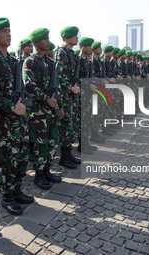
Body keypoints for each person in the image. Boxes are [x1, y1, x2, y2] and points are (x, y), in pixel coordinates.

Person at [0, 17, 34, 216]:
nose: (9, 34)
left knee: (21, 158)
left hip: (19, 119)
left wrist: (23, 105)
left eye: (10, 30)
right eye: (4, 31)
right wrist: (12, 107)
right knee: (6, 162)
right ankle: (8, 197)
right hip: (3, 120)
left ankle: (17, 190)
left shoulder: (13, 61)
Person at [23, 28, 62, 190]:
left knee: (52, 142)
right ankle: (39, 175)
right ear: (36, 42)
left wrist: (58, 105)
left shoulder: (50, 62)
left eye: (48, 38)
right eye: (44, 39)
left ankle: (47, 170)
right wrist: (47, 99)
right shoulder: (30, 62)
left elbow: (57, 87)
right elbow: (28, 85)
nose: (47, 41)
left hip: (51, 111)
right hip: (38, 112)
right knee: (40, 144)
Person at [55, 26, 81, 169]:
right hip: (64, 96)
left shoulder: (71, 53)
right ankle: (64, 158)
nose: (77, 38)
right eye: (74, 35)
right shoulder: (61, 53)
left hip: (71, 97)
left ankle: (68, 154)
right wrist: (70, 87)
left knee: (71, 126)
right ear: (67, 38)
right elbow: (58, 76)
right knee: (65, 127)